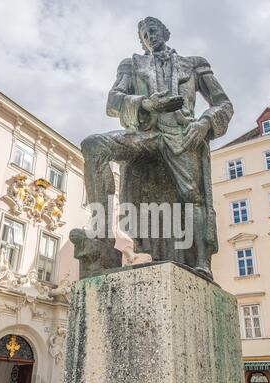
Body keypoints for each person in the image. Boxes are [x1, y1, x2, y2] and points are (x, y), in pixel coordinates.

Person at [81, 16, 233, 279]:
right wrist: (146, 104)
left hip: (182, 134)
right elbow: (113, 101)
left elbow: (223, 103)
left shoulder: (194, 64)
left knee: (191, 195)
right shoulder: (131, 64)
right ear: (141, 42)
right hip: (145, 134)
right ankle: (102, 243)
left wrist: (205, 124)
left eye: (153, 31)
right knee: (93, 145)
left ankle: (201, 262)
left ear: (165, 32)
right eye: (144, 35)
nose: (149, 37)